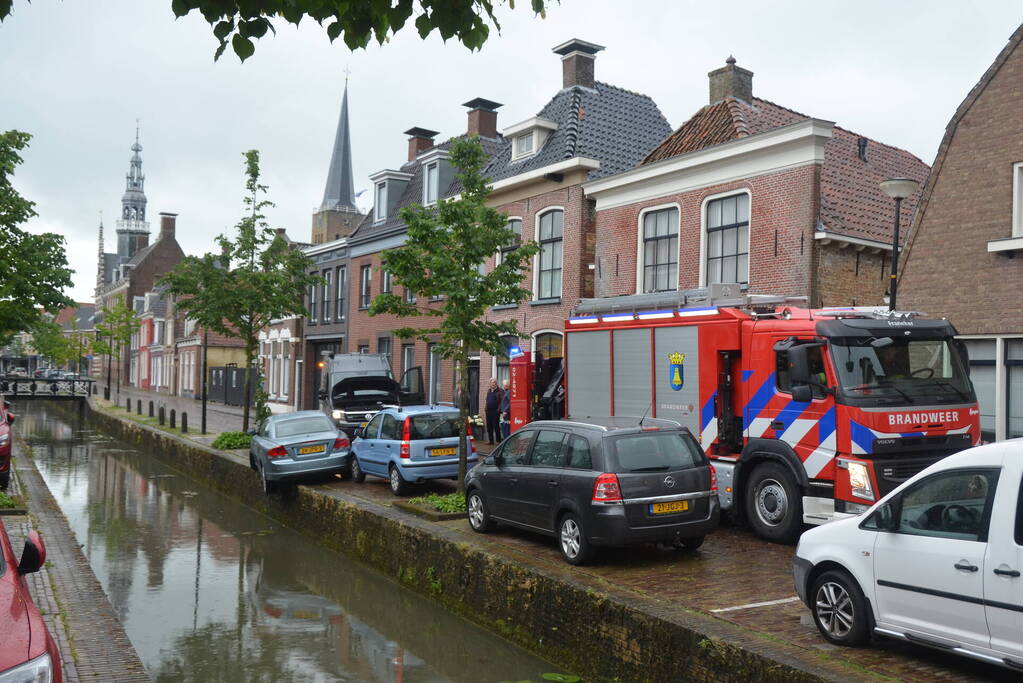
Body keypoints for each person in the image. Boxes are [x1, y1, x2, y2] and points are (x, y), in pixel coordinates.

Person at [484, 378, 503, 445]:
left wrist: (498, 410)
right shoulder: (489, 391)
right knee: (489, 426)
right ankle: (491, 440)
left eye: (493, 383)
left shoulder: (500, 391)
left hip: (495, 411)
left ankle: (498, 440)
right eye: (491, 383)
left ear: (496, 383)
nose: (492, 384)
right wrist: (486, 408)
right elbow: (487, 400)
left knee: (496, 426)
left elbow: (502, 401)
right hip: (488, 411)